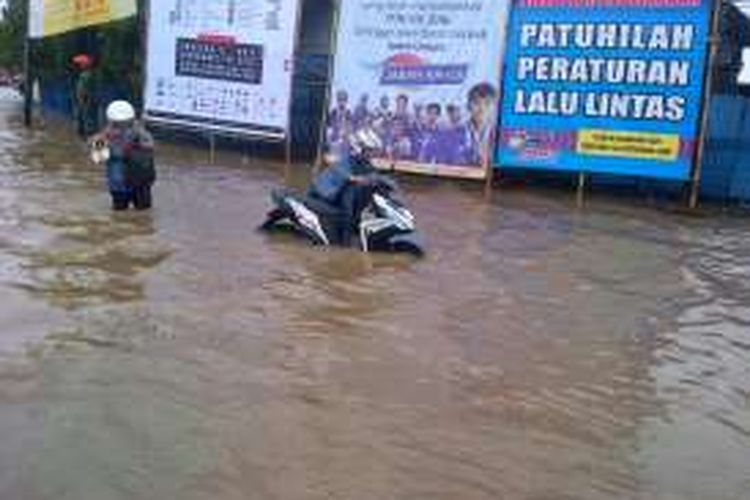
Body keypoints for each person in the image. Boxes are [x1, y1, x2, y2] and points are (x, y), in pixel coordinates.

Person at [309, 128, 383, 244]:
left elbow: (373, 173)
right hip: (332, 191)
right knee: (348, 210)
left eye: (372, 150)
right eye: (369, 150)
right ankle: (344, 243)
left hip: (342, 188)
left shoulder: (365, 162)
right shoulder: (346, 158)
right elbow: (334, 164)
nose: (372, 153)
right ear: (361, 148)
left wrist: (380, 179)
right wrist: (352, 177)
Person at [90, 100, 156, 211]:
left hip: (122, 184)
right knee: (142, 215)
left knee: (121, 214)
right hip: (138, 183)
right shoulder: (142, 133)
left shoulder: (104, 137)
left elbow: (98, 159)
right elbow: (151, 149)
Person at [463, 83, 498, 166]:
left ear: (494, 107)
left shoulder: (499, 134)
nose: (482, 108)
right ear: (468, 106)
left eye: (487, 103)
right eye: (476, 103)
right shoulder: (454, 133)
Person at [73, 55, 98, 138]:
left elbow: (84, 90)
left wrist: (82, 99)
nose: (78, 66)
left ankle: (88, 136)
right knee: (84, 118)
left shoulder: (85, 75)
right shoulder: (85, 75)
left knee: (86, 118)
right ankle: (85, 135)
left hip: (85, 100)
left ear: (84, 65)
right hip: (84, 100)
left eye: (80, 64)